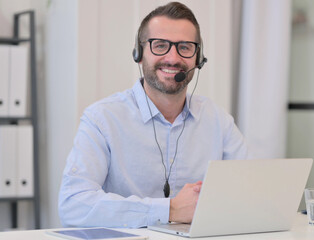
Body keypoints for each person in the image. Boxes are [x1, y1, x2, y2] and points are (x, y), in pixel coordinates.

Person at [58, 2, 248, 228]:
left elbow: (250, 192)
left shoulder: (218, 120)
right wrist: (171, 209)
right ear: (138, 54)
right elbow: (73, 205)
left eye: (185, 47)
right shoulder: (102, 118)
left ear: (198, 58)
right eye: (160, 45)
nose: (173, 58)